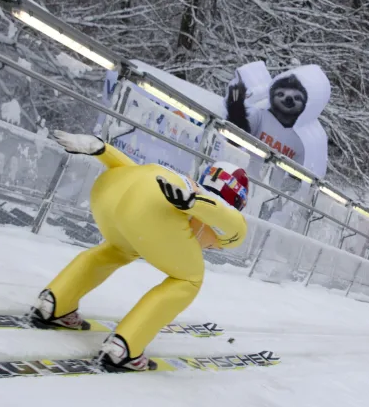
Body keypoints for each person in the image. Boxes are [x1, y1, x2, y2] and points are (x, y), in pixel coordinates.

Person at [30, 131, 249, 372]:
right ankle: (124, 347)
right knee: (189, 279)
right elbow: (233, 225)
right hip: (152, 215)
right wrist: (193, 203)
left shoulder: (180, 179)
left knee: (116, 250)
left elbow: (134, 170)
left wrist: (102, 150)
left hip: (112, 192)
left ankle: (56, 302)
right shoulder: (205, 199)